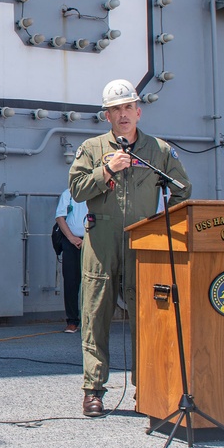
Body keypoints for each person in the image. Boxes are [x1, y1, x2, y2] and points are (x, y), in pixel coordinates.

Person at [68, 79, 191, 417]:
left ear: (138, 111)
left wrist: (161, 228)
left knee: (147, 316)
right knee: (95, 313)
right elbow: (77, 190)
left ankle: (147, 388)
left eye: (127, 108)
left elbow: (182, 191)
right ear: (106, 116)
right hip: (101, 240)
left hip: (143, 241)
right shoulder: (92, 148)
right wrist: (107, 168)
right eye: (115, 109)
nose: (122, 115)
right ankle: (93, 390)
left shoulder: (159, 151)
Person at [54, 188, 88, 333]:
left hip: (93, 241)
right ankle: (72, 321)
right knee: (71, 282)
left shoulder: (99, 191)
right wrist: (72, 238)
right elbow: (60, 217)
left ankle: (91, 321)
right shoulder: (68, 193)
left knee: (93, 282)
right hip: (72, 240)